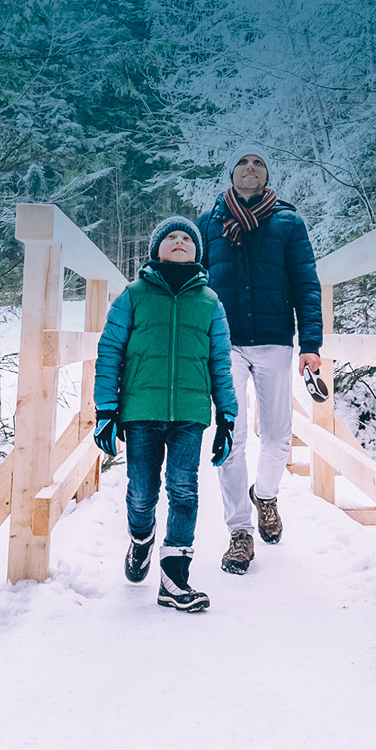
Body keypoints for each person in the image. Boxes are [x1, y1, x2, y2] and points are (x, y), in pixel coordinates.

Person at [93, 217, 239, 612]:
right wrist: (106, 409)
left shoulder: (210, 302)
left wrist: (227, 416)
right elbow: (110, 354)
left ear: (197, 251)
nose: (179, 241)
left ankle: (175, 578)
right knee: (141, 493)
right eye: (170, 237)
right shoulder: (133, 295)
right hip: (140, 411)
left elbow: (220, 364)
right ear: (156, 250)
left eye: (186, 238)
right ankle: (141, 539)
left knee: (184, 490)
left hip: (190, 414)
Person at [197, 150, 323, 575]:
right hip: (224, 341)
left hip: (274, 341)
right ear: (231, 173)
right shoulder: (208, 223)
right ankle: (239, 531)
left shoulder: (288, 221)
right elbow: (192, 284)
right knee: (229, 436)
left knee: (278, 436)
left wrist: (311, 343)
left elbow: (306, 282)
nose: (251, 168)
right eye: (243, 163)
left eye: (259, 164)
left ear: (267, 175)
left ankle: (265, 495)